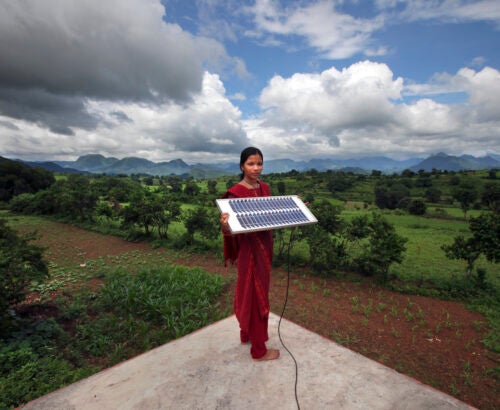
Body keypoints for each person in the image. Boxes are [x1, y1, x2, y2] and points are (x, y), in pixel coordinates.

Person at [219, 147, 280, 361]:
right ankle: (259, 350)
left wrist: (293, 207)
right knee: (253, 295)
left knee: (255, 291)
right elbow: (230, 232)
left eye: (259, 163)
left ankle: (246, 334)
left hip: (265, 248)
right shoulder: (235, 193)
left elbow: (270, 216)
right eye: (251, 164)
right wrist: (225, 226)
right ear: (242, 166)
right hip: (250, 253)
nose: (256, 168)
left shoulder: (265, 188)